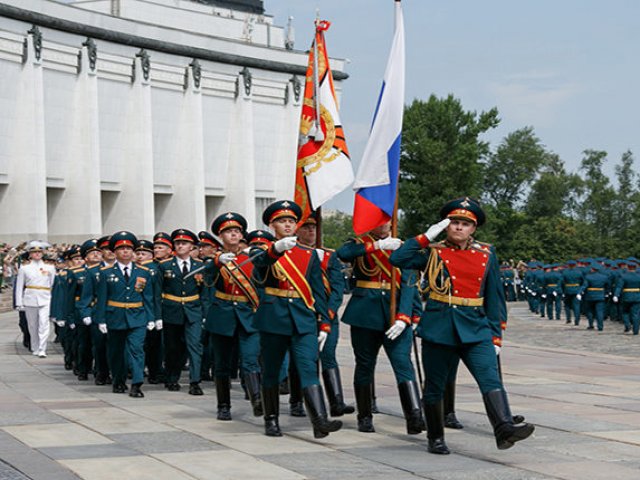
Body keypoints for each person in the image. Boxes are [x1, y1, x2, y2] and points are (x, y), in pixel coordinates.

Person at [390, 196, 534, 454]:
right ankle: (435, 437)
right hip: (439, 327)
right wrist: (424, 237)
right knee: (435, 386)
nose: (458, 227)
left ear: (473, 228)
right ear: (446, 226)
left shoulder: (486, 253)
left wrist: (496, 335)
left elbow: (494, 296)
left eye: (465, 224)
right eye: (454, 222)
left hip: (476, 328)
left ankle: (504, 429)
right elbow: (398, 259)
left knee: (490, 378)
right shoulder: (431, 252)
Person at [251, 200, 341, 438]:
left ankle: (320, 421)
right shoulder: (262, 250)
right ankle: (271, 419)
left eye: (291, 221)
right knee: (271, 371)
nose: (288, 225)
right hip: (273, 317)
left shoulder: (309, 255)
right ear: (272, 225)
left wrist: (324, 322)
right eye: (282, 221)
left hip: (303, 318)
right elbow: (259, 268)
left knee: (308, 367)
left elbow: (317, 291)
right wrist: (276, 249)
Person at [337, 221, 424, 436]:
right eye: (378, 220)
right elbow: (343, 253)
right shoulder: (360, 244)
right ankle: (364, 416)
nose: (383, 224)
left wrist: (409, 316)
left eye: (387, 219)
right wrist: (376, 247)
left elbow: (409, 283)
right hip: (365, 313)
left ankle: (414, 416)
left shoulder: (404, 248)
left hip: (396, 314)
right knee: (365, 364)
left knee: (403, 363)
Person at [204, 212, 262, 420]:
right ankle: (223, 405)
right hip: (223, 314)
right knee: (222, 364)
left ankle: (257, 400)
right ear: (221, 236)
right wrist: (217, 261)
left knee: (250, 360)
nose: (233, 235)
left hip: (248, 314)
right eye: (229, 232)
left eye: (237, 231)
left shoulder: (252, 257)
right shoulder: (215, 260)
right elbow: (207, 278)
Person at [297, 212, 354, 417]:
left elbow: (338, 288)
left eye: (314, 227)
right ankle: (297, 401)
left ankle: (336, 401)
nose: (311, 231)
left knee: (328, 355)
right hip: (303, 314)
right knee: (305, 360)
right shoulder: (292, 255)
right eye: (306, 227)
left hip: (327, 316)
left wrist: (328, 313)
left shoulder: (329, 256)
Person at [95, 232, 154, 397]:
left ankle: (136, 383)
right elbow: (102, 299)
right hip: (115, 316)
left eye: (128, 248)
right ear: (115, 252)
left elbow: (148, 297)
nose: (125, 251)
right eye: (121, 248)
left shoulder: (143, 272)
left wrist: (151, 317)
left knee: (137, 350)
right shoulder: (106, 273)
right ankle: (119, 381)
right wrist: (101, 320)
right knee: (116, 351)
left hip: (138, 316)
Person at [155, 229, 205, 395]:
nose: (180, 246)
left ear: (191, 246)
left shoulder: (200, 266)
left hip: (193, 310)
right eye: (177, 243)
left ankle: (195, 381)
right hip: (171, 310)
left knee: (195, 346)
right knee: (173, 348)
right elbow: (157, 292)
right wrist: (158, 315)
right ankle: (172, 378)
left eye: (184, 243)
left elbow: (205, 292)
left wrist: (205, 314)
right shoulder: (165, 266)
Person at [15, 240, 56, 357]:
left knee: (44, 324)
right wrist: (19, 302)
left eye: (39, 251)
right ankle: (35, 346)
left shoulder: (50, 268)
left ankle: (42, 348)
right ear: (30, 254)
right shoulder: (24, 268)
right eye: (34, 252)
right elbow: (19, 286)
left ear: (43, 253)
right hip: (30, 298)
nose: (37, 254)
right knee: (32, 325)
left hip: (45, 297)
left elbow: (52, 284)